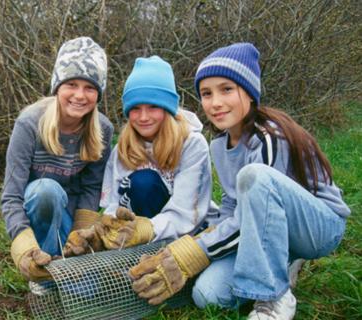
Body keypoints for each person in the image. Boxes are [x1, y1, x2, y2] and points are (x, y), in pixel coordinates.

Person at [127, 43, 350, 320]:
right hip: (264, 226)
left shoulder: (270, 137)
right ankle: (284, 260)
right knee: (208, 295)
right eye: (207, 94)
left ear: (249, 92)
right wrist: (195, 242)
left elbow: (256, 213)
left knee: (254, 177)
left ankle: (275, 299)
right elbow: (233, 211)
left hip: (316, 228)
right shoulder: (219, 146)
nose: (215, 102)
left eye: (226, 89)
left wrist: (196, 252)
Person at [62, 55, 214, 257]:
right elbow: (113, 206)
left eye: (153, 107)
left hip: (186, 232)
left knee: (145, 181)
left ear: (167, 108)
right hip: (134, 235)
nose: (143, 117)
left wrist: (146, 229)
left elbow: (187, 212)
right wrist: (104, 231)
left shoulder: (192, 144)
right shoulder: (123, 149)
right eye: (135, 109)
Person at [1, 36, 114, 282]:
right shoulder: (29, 124)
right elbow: (11, 197)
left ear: (98, 93)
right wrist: (24, 248)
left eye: (90, 87)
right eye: (71, 84)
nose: (80, 95)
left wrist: (79, 238)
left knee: (85, 291)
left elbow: (92, 188)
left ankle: (65, 266)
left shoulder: (103, 129)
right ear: (57, 87)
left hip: (71, 219)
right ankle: (42, 267)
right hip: (37, 215)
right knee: (46, 191)